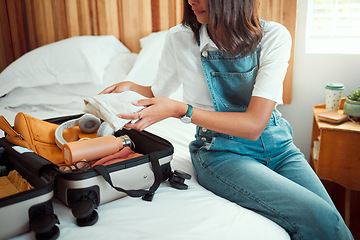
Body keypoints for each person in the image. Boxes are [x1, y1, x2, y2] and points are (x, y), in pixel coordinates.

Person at [100, 0, 353, 239]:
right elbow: (158, 93)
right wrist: (131, 87)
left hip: (279, 146)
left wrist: (183, 110)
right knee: (318, 217)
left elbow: (254, 126)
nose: (191, 1)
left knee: (332, 219)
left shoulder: (274, 35)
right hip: (221, 152)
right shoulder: (180, 38)